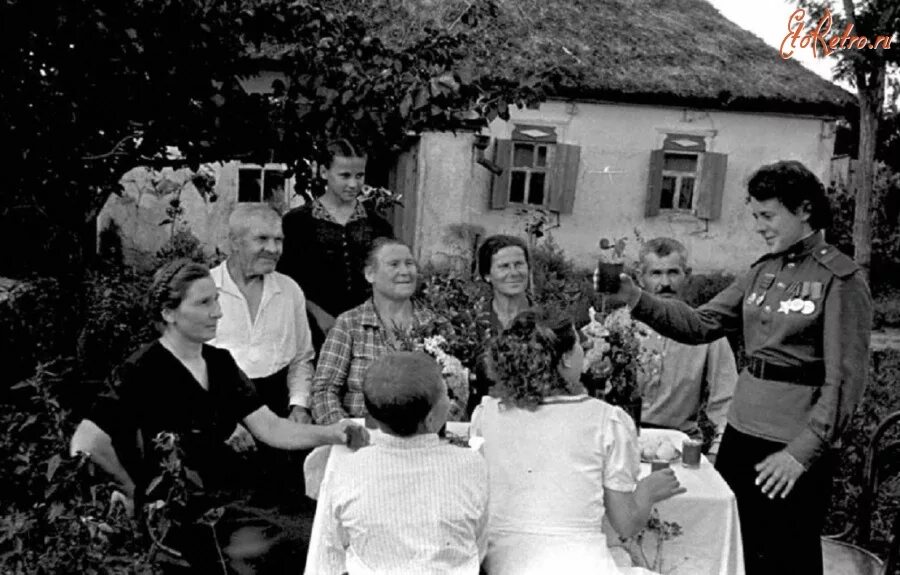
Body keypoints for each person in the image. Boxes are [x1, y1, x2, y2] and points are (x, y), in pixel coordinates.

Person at [601, 160, 872, 575]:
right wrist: (636, 296)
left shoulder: (841, 278)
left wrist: (801, 455)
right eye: (756, 216)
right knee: (734, 553)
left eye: (768, 215)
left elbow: (845, 382)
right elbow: (700, 324)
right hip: (742, 436)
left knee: (786, 560)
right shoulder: (763, 271)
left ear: (803, 210)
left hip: (790, 444)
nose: (760, 226)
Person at [70, 259, 366, 571]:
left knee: (331, 526)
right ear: (168, 313)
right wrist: (132, 492)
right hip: (188, 510)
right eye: (203, 303)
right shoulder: (141, 370)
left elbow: (270, 427)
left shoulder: (220, 363)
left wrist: (333, 432)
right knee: (302, 542)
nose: (218, 312)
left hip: (240, 493)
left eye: (216, 300)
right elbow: (87, 442)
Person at [471, 309, 685, 574]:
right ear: (566, 360)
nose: (584, 348)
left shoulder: (486, 414)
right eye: (579, 344)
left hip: (501, 564)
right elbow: (626, 524)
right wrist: (647, 491)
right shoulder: (607, 420)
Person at [319, 351, 489, 574]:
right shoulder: (471, 464)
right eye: (446, 394)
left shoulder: (347, 469)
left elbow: (332, 550)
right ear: (431, 419)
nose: (450, 398)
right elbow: (479, 543)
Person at [278, 139, 394, 352]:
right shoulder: (296, 223)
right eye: (345, 176)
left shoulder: (379, 225)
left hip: (366, 332)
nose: (353, 184)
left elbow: (387, 279)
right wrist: (319, 316)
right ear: (324, 172)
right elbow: (284, 280)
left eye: (359, 176)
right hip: (310, 330)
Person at [634, 237, 737, 460]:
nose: (665, 283)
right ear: (640, 278)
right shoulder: (618, 327)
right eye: (655, 273)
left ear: (687, 276)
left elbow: (727, 400)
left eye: (673, 273)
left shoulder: (707, 333)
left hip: (677, 444)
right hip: (625, 437)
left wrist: (716, 452)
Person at [311, 237, 432, 425]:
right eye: (394, 264)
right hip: (361, 439)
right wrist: (346, 431)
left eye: (410, 263)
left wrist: (432, 429)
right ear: (370, 274)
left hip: (422, 439)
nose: (405, 271)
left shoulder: (436, 324)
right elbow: (324, 392)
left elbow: (456, 392)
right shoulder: (349, 324)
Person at [467, 234, 534, 414]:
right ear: (487, 275)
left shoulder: (547, 319)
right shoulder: (473, 322)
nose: (514, 272)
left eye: (519, 264)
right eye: (504, 266)